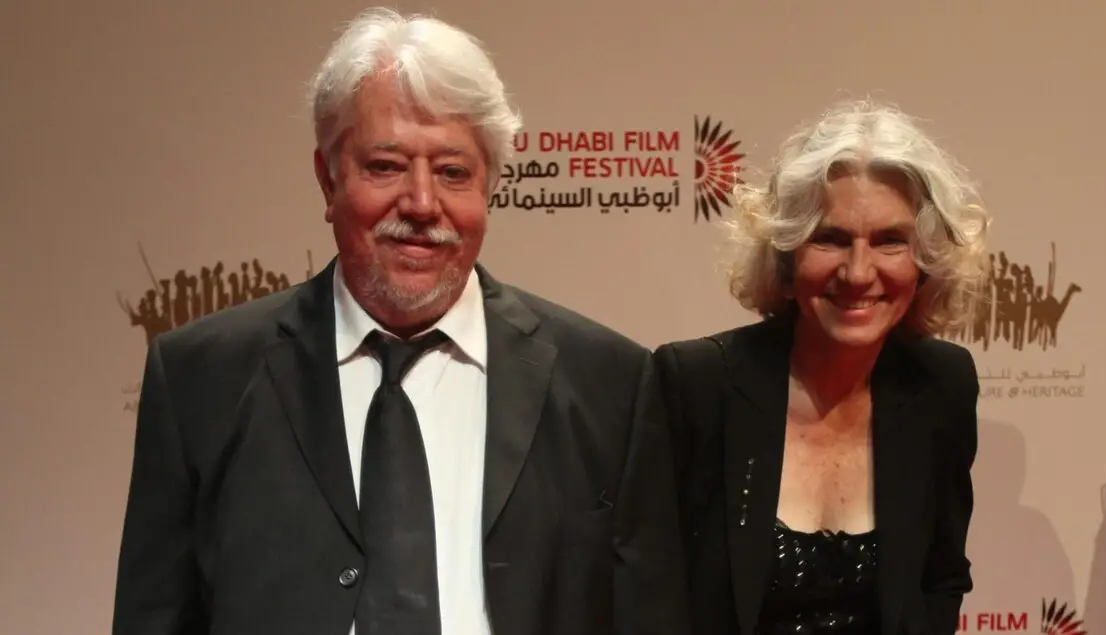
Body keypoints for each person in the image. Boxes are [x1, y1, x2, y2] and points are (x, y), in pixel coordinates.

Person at [111, 8, 688, 635]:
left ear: (490, 187)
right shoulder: (201, 378)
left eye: (453, 172)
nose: (421, 203)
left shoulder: (610, 384)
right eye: (385, 166)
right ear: (327, 179)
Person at [654, 100, 988, 635]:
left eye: (890, 241)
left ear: (925, 263)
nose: (858, 273)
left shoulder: (942, 385)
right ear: (786, 257)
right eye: (830, 239)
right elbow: (650, 592)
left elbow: (940, 577)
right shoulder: (698, 383)